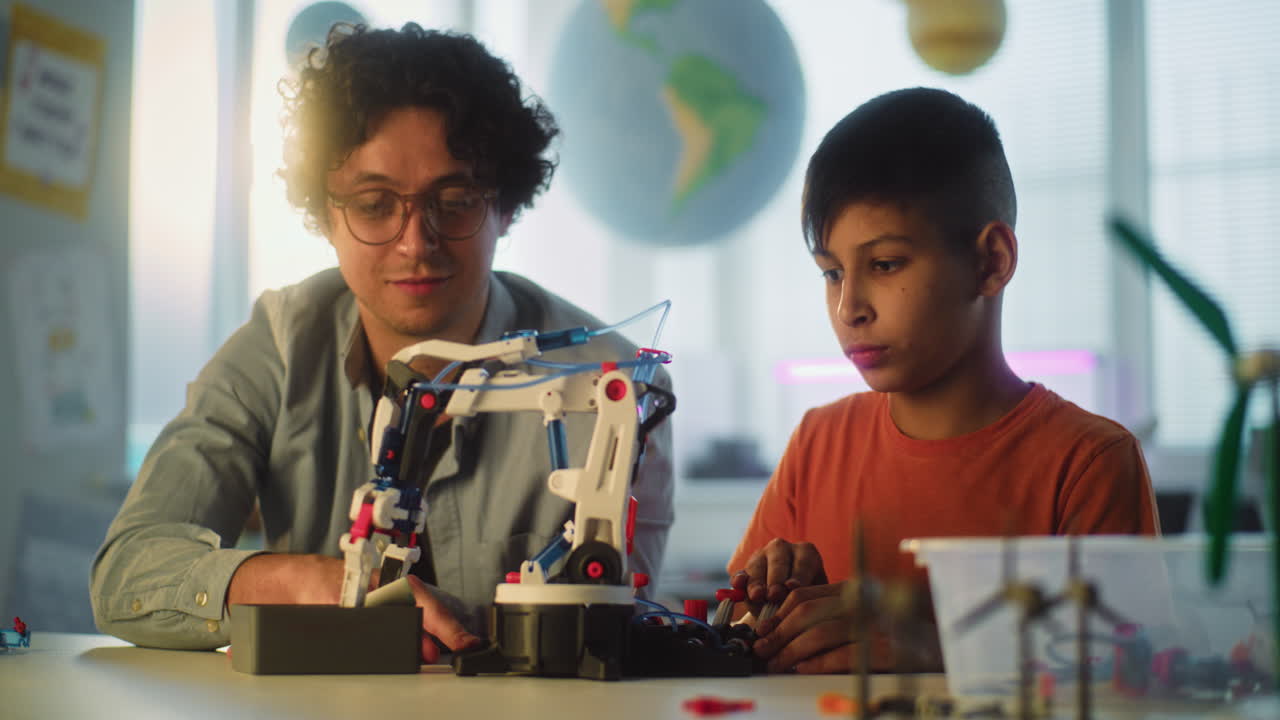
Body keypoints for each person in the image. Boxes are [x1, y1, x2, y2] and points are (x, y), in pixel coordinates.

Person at [90, 24, 674, 661]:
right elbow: (127, 574)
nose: (415, 243)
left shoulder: (612, 386)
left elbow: (612, 633)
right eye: (373, 205)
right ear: (325, 215)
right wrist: (315, 582)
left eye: (453, 202)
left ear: (503, 207)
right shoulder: (280, 348)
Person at [727, 88, 1159, 674]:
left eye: (884, 264)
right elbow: (725, 638)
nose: (848, 307)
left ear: (991, 261)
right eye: (831, 272)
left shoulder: (1089, 464)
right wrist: (768, 609)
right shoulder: (817, 442)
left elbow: (1130, 681)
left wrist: (935, 651)